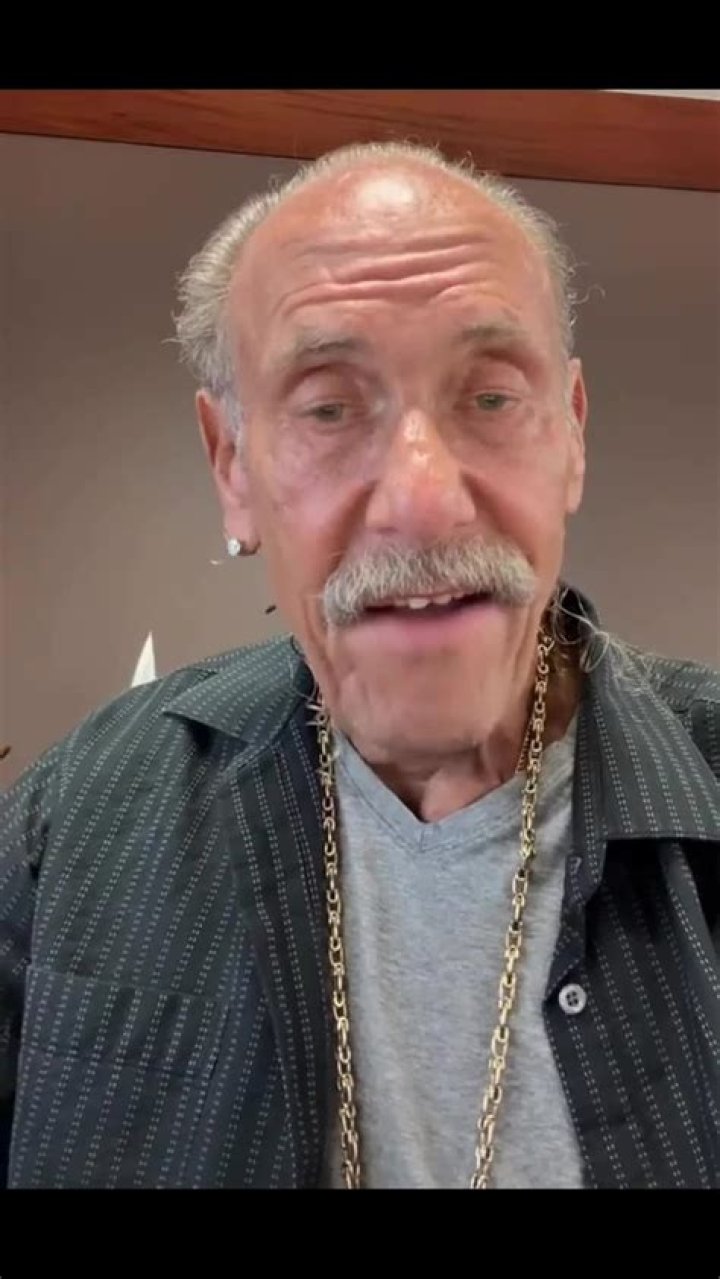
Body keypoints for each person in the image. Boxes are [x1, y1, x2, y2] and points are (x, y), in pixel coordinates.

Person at [1, 142, 718, 1191]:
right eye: (329, 407)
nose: (423, 501)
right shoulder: (77, 816)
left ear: (570, 435)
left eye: (491, 398)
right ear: (231, 465)